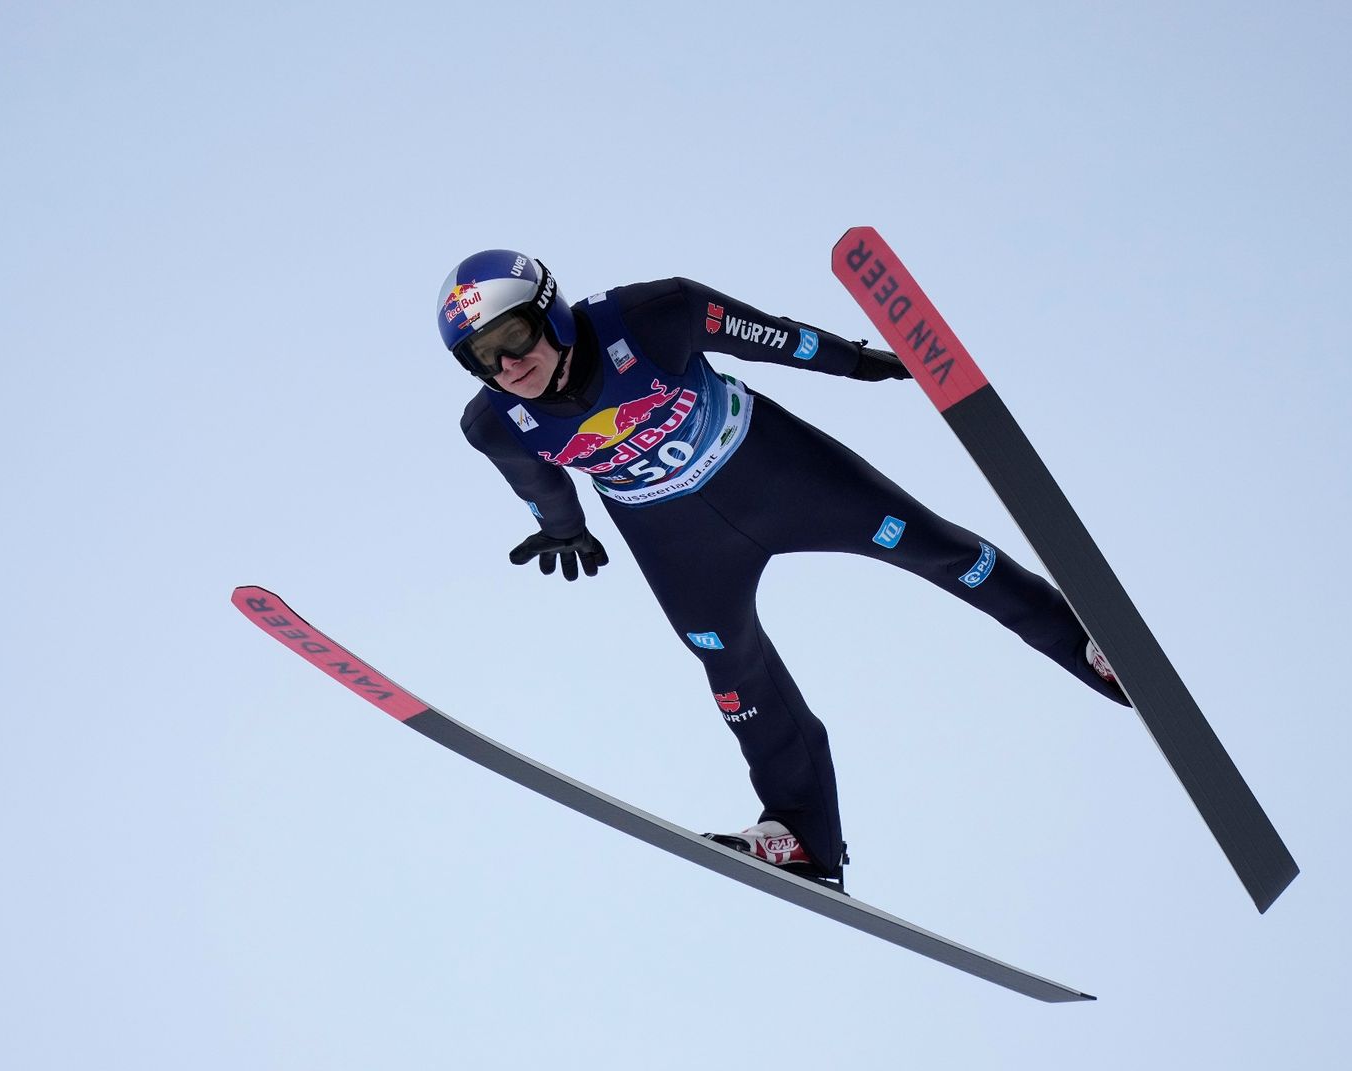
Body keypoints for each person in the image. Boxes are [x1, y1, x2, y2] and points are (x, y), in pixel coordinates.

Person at [438, 249, 1126, 889]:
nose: (508, 367)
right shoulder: (495, 423)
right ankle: (802, 834)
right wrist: (563, 531)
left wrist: (861, 363)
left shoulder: (653, 316)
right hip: (676, 539)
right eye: (483, 359)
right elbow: (537, 483)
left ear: (551, 312)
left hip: (778, 473)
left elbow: (774, 337)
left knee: (934, 548)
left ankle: (1087, 645)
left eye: (514, 339)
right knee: (732, 673)